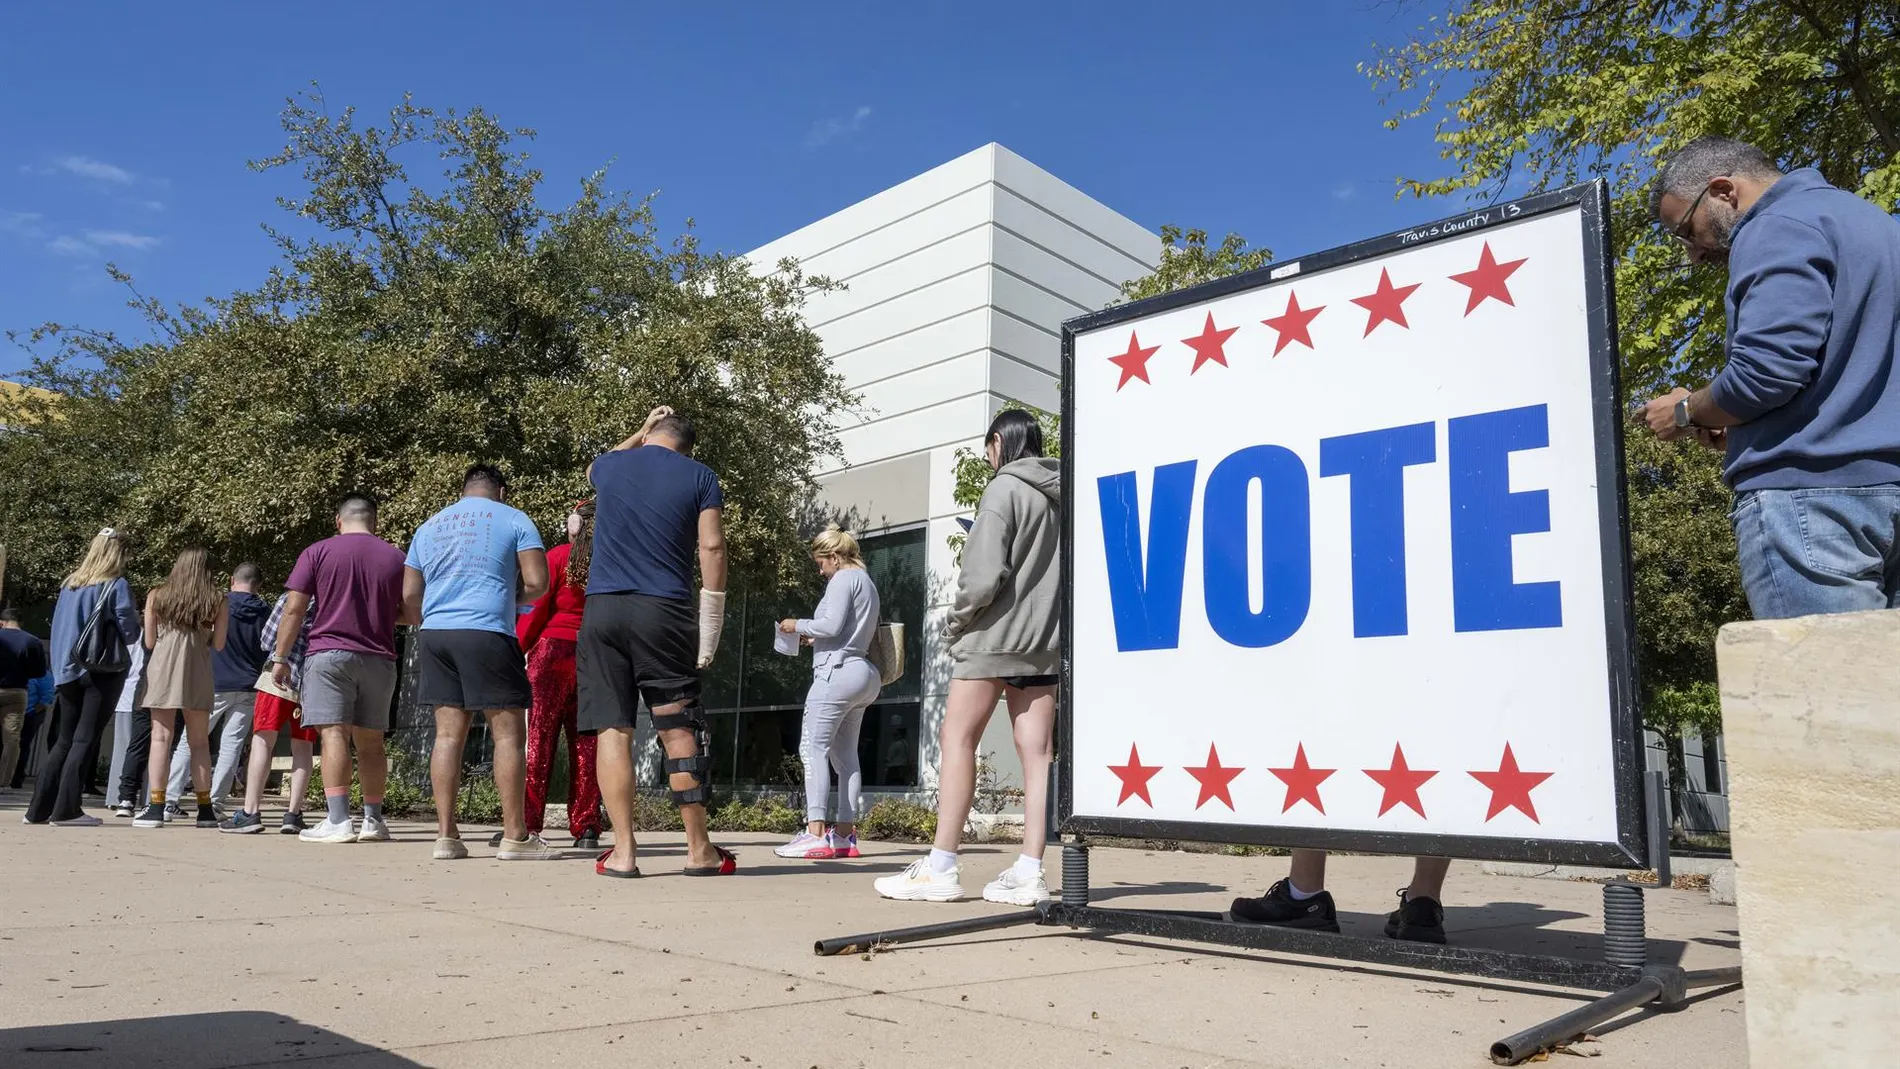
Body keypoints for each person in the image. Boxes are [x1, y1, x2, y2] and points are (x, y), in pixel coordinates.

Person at [1637, 136, 1900, 618]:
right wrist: (1737, 420)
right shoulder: (1875, 224)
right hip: (1886, 488)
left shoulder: (1774, 227)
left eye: (1687, 231)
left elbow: (1765, 374)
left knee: (1825, 690)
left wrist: (1682, 410)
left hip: (1814, 506)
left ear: (1723, 190)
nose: (1695, 253)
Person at [875, 410, 1060, 905]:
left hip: (990, 638)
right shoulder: (1061, 498)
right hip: (1043, 643)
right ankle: (1030, 870)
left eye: (988, 451)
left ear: (999, 442)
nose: (988, 459)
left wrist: (956, 622)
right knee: (1038, 757)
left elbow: (981, 577)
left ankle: (941, 865)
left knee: (957, 739)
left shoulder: (1003, 490)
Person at [581, 407, 735, 878]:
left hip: (602, 609)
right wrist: (712, 617)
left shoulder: (611, 466)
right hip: (662, 609)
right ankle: (699, 850)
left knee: (613, 729)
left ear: (650, 434)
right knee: (677, 725)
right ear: (687, 446)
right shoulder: (701, 476)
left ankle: (624, 853)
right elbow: (711, 547)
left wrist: (639, 430)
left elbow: (594, 467)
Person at [403, 464, 553, 861]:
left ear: (464, 489)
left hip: (435, 633)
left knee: (448, 736)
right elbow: (539, 583)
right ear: (501, 490)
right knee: (507, 735)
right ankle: (515, 836)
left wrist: (430, 620)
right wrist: (509, 597)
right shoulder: (515, 518)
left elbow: (409, 592)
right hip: (487, 630)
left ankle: (446, 836)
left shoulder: (430, 525)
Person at [274, 494, 409, 844]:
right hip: (380, 657)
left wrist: (280, 657)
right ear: (374, 522)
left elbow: (294, 610)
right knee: (372, 741)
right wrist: (379, 614)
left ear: (338, 520)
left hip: (328, 654)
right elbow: (413, 612)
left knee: (334, 734)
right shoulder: (397, 558)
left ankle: (337, 820)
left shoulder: (317, 552)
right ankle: (373, 820)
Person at [774, 526, 880, 861]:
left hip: (836, 674)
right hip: (863, 674)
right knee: (846, 758)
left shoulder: (842, 580)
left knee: (812, 748)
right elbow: (843, 629)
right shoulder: (867, 582)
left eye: (822, 563)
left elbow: (832, 625)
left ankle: (814, 831)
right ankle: (845, 836)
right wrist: (814, 638)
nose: (821, 571)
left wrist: (797, 625)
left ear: (834, 557)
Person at [28, 529, 140, 826]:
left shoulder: (70, 585)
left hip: (66, 670)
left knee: (64, 740)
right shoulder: (116, 585)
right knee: (85, 739)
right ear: (120, 554)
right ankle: (67, 811)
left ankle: (38, 810)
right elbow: (131, 630)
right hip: (100, 669)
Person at [516, 499, 606, 849]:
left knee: (539, 739)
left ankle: (528, 822)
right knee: (588, 744)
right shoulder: (610, 564)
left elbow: (536, 610)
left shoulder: (557, 557)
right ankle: (586, 826)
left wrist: (517, 648)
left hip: (552, 652)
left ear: (574, 524)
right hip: (593, 655)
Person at [132, 548, 229, 829]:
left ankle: (157, 806)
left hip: (163, 670)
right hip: (197, 671)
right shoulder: (217, 599)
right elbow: (220, 644)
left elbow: (149, 642)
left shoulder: (156, 596)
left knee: (160, 737)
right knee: (198, 742)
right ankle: (205, 809)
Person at [161, 563, 268, 815]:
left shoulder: (216, 605)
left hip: (213, 682)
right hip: (248, 684)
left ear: (232, 580)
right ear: (258, 585)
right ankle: (216, 802)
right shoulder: (265, 611)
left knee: (191, 741)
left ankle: (170, 799)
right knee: (232, 745)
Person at [222, 592, 316, 833]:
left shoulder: (290, 597)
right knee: (303, 748)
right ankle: (293, 814)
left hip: (277, 678)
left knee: (263, 742)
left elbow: (267, 639)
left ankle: (250, 811)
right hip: (312, 683)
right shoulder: (330, 601)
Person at [1, 606, 50, 789]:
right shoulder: (33, 641)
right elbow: (39, 672)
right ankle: (4, 781)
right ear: (20, 623)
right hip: (17, 693)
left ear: (1, 622)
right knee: (12, 740)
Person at [106, 638, 148, 815]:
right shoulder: (159, 631)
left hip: (126, 694)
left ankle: (117, 797)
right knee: (152, 749)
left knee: (124, 750)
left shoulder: (127, 634)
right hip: (145, 695)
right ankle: (148, 798)